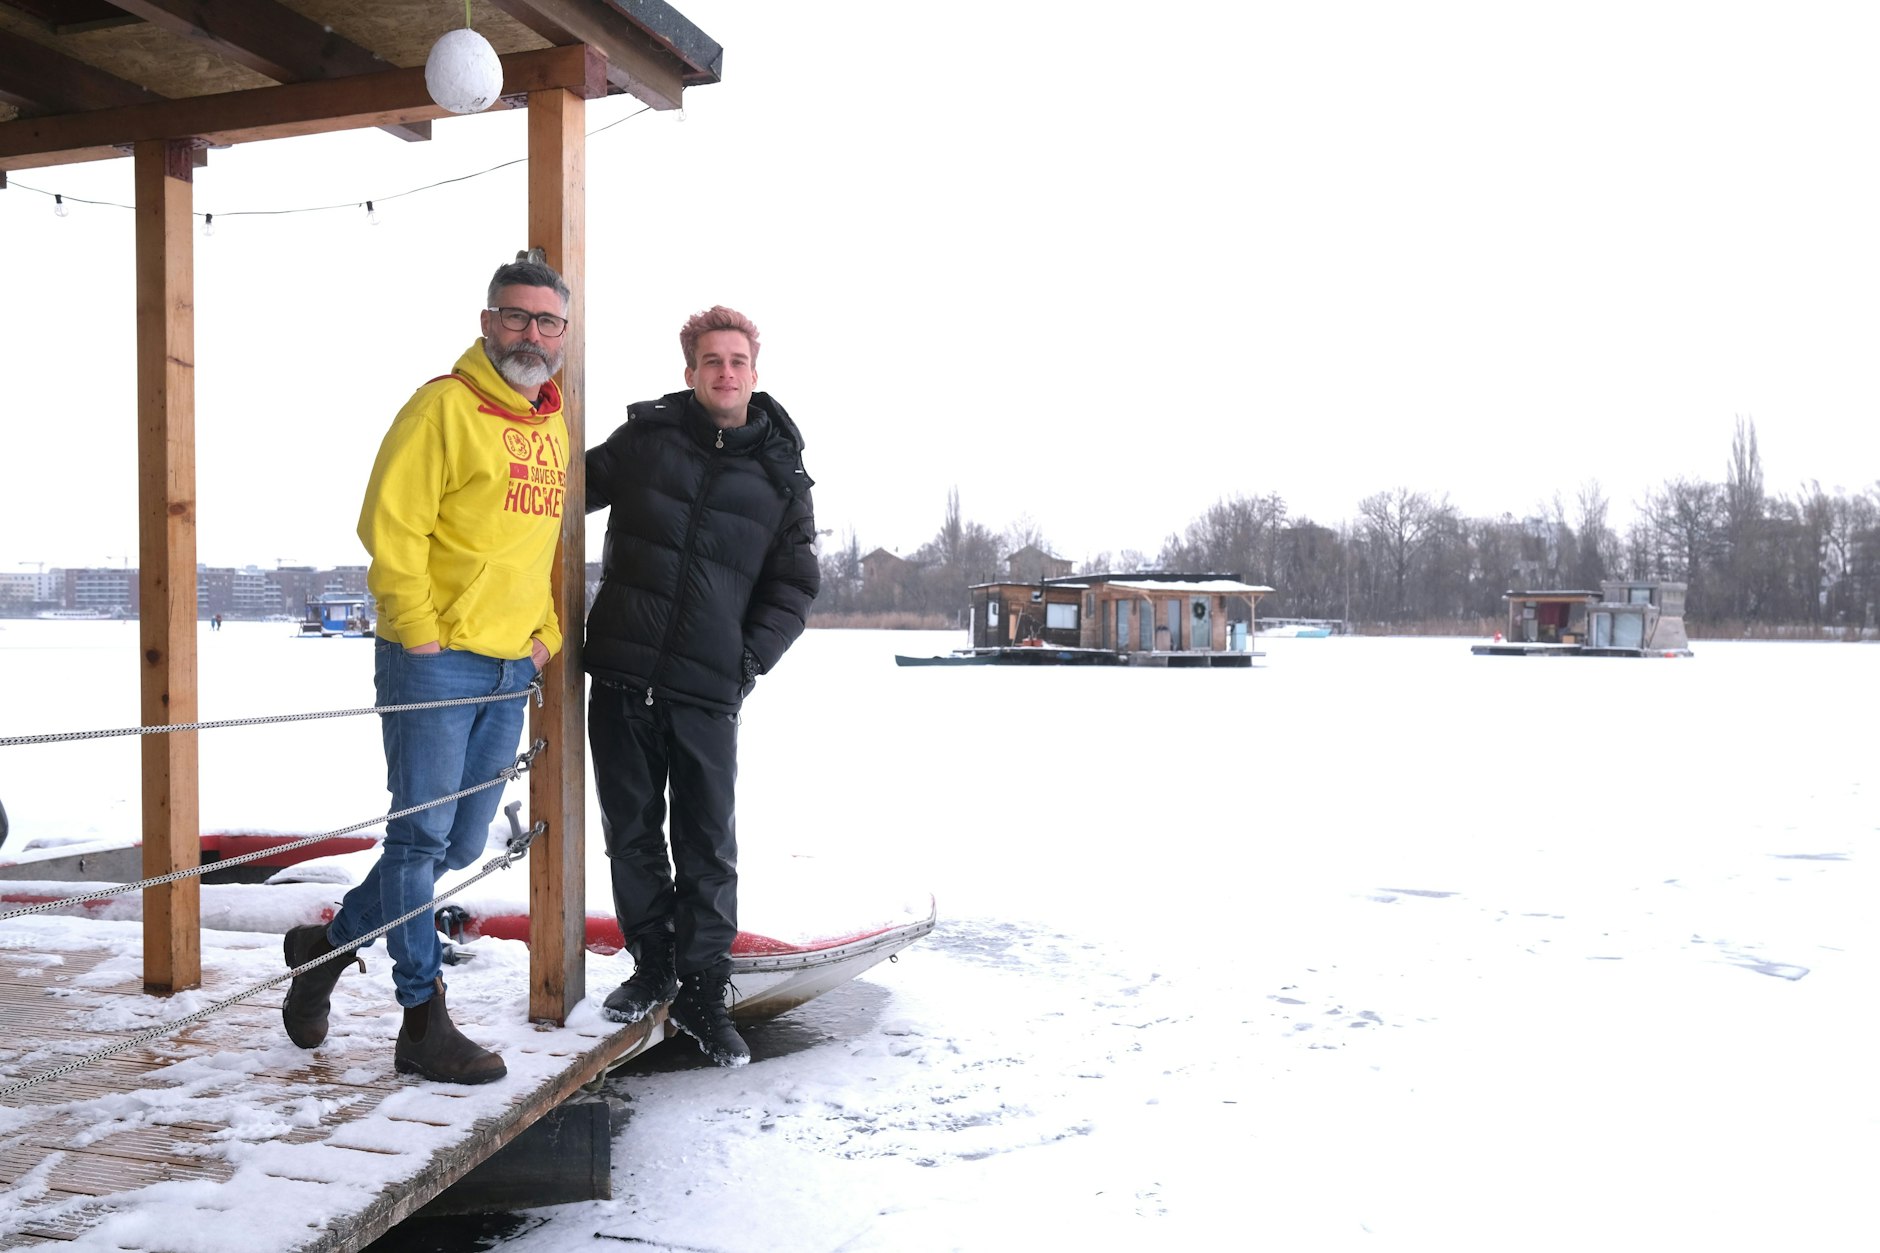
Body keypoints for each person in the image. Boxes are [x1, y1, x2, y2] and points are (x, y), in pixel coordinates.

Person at [279, 251, 571, 1084]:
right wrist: (419, 633)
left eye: (547, 321)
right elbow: (390, 526)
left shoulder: (550, 427)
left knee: (458, 840)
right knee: (418, 839)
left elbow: (537, 548)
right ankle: (422, 1017)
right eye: (516, 316)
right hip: (435, 665)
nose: (531, 333)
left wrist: (543, 636)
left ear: (561, 335)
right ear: (488, 323)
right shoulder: (440, 407)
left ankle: (323, 950)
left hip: (510, 666)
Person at [585, 306, 819, 1066]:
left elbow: (795, 584)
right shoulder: (646, 441)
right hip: (622, 670)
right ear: (690, 371)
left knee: (707, 844)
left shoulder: (782, 477)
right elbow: (557, 492)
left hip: (708, 687)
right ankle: (652, 966)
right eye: (711, 360)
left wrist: (746, 658)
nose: (725, 372)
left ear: (755, 371)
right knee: (631, 833)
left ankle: (702, 988)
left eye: (737, 360)